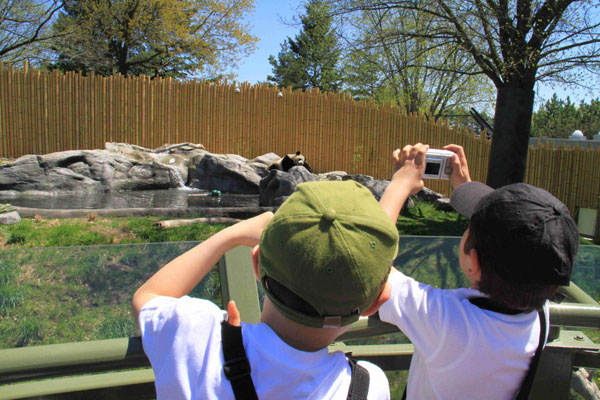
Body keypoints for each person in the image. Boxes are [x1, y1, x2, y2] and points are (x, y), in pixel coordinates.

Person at [132, 178, 417, 399]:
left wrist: (230, 235)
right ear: (374, 303)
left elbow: (148, 297)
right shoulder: (366, 387)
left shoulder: (197, 338)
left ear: (256, 264)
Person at [378, 143, 579, 399]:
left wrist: (400, 184)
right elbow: (521, 243)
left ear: (473, 262)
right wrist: (466, 187)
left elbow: (373, 264)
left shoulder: (445, 321)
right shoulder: (540, 313)